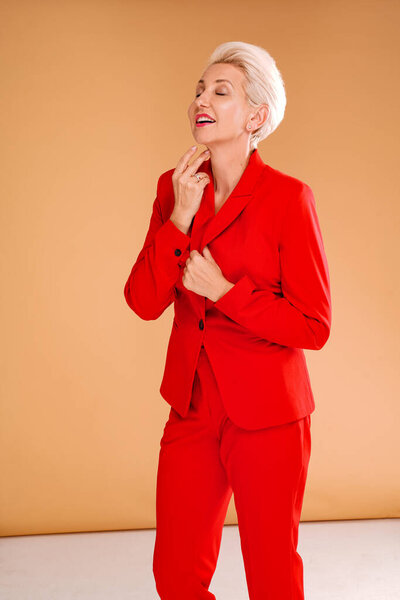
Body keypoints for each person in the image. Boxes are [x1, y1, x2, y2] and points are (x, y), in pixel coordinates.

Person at [124, 40, 332, 600]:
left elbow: (314, 325)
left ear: (256, 116)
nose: (202, 99)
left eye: (222, 91)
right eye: (199, 88)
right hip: (191, 404)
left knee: (271, 573)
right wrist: (181, 217)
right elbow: (143, 301)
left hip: (268, 412)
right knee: (175, 575)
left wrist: (226, 292)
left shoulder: (290, 198)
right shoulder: (173, 187)